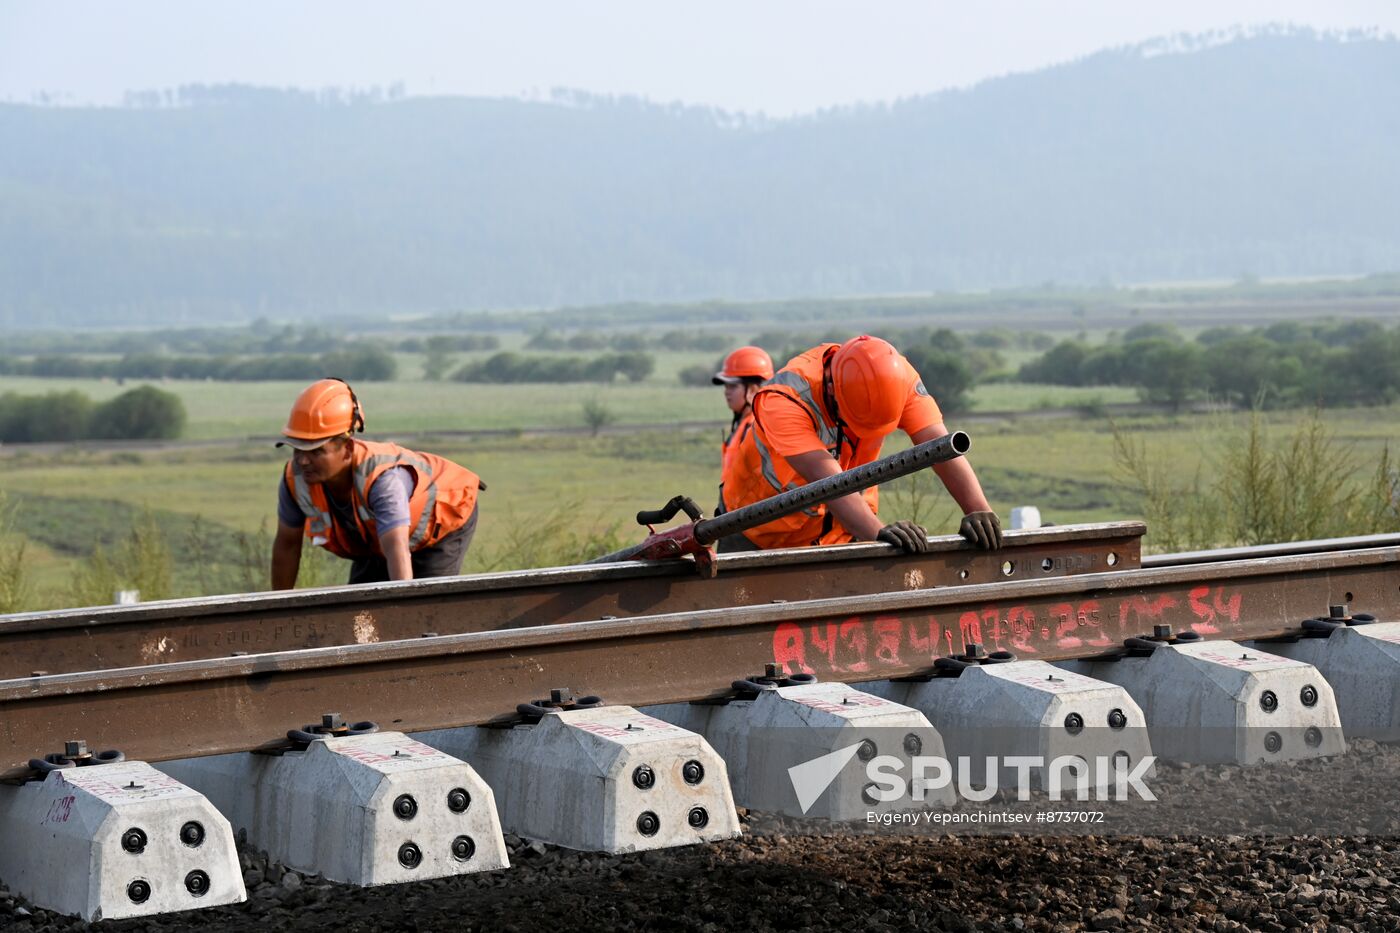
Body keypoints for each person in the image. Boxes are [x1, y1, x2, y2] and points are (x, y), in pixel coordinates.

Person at [724, 335, 1002, 553]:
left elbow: (940, 449)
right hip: (757, 532)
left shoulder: (895, 378)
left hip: (843, 533)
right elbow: (829, 485)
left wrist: (978, 509)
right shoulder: (785, 400)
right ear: (832, 390)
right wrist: (879, 533)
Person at [270, 378, 483, 588]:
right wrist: (277, 611)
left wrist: (405, 606)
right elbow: (287, 545)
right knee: (360, 613)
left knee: (427, 609)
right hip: (377, 540)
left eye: (316, 451)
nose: (303, 461)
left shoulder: (382, 480)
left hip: (442, 522)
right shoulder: (295, 479)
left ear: (347, 450)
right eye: (298, 449)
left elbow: (395, 547)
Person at [712, 346, 774, 553]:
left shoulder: (759, 427)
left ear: (754, 388)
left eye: (733, 386)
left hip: (749, 526)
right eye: (726, 386)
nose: (726, 392)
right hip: (733, 519)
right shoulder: (742, 424)